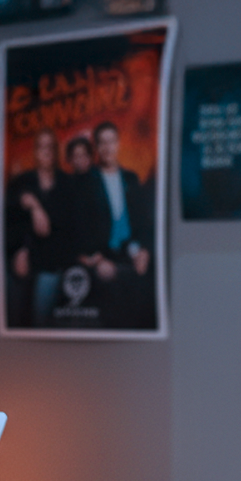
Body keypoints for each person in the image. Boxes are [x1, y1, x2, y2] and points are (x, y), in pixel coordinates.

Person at [72, 121, 156, 329]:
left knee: (149, 285)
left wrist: (144, 251)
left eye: (111, 141)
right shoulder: (86, 181)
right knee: (110, 292)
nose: (108, 148)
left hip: (131, 250)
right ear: (97, 148)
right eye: (102, 143)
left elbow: (144, 222)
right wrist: (96, 257)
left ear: (118, 143)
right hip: (102, 254)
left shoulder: (131, 178)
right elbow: (79, 224)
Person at [3, 129, 76, 328]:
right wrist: (20, 251)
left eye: (51, 147)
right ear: (35, 151)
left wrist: (37, 209)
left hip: (51, 262)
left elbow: (67, 230)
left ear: (56, 151)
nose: (46, 152)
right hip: (20, 258)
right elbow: (8, 224)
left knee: (40, 321)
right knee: (13, 318)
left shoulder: (67, 184)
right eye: (42, 147)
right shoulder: (21, 182)